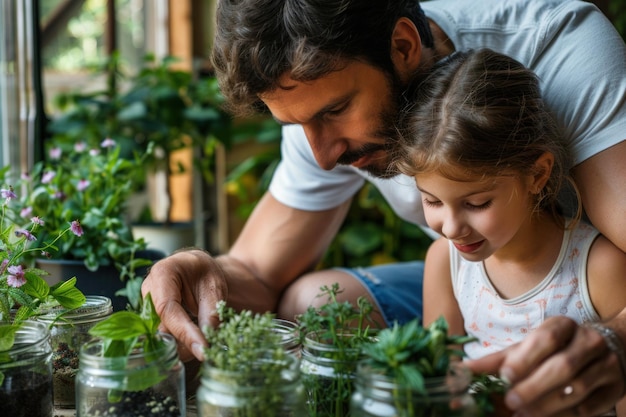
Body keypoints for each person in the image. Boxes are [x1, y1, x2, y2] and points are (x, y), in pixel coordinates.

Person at [142, 1, 626, 415]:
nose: (324, 157)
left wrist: (615, 344)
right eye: (298, 126)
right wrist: (200, 272)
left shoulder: (558, 51)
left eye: (334, 112)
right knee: (312, 305)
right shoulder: (318, 99)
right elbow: (256, 270)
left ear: (403, 46)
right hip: (478, 279)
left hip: (591, 290)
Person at [394, 48, 626, 416]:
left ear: (537, 175)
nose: (451, 228)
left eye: (478, 203)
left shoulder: (599, 270)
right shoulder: (445, 262)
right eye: (432, 201)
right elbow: (440, 384)